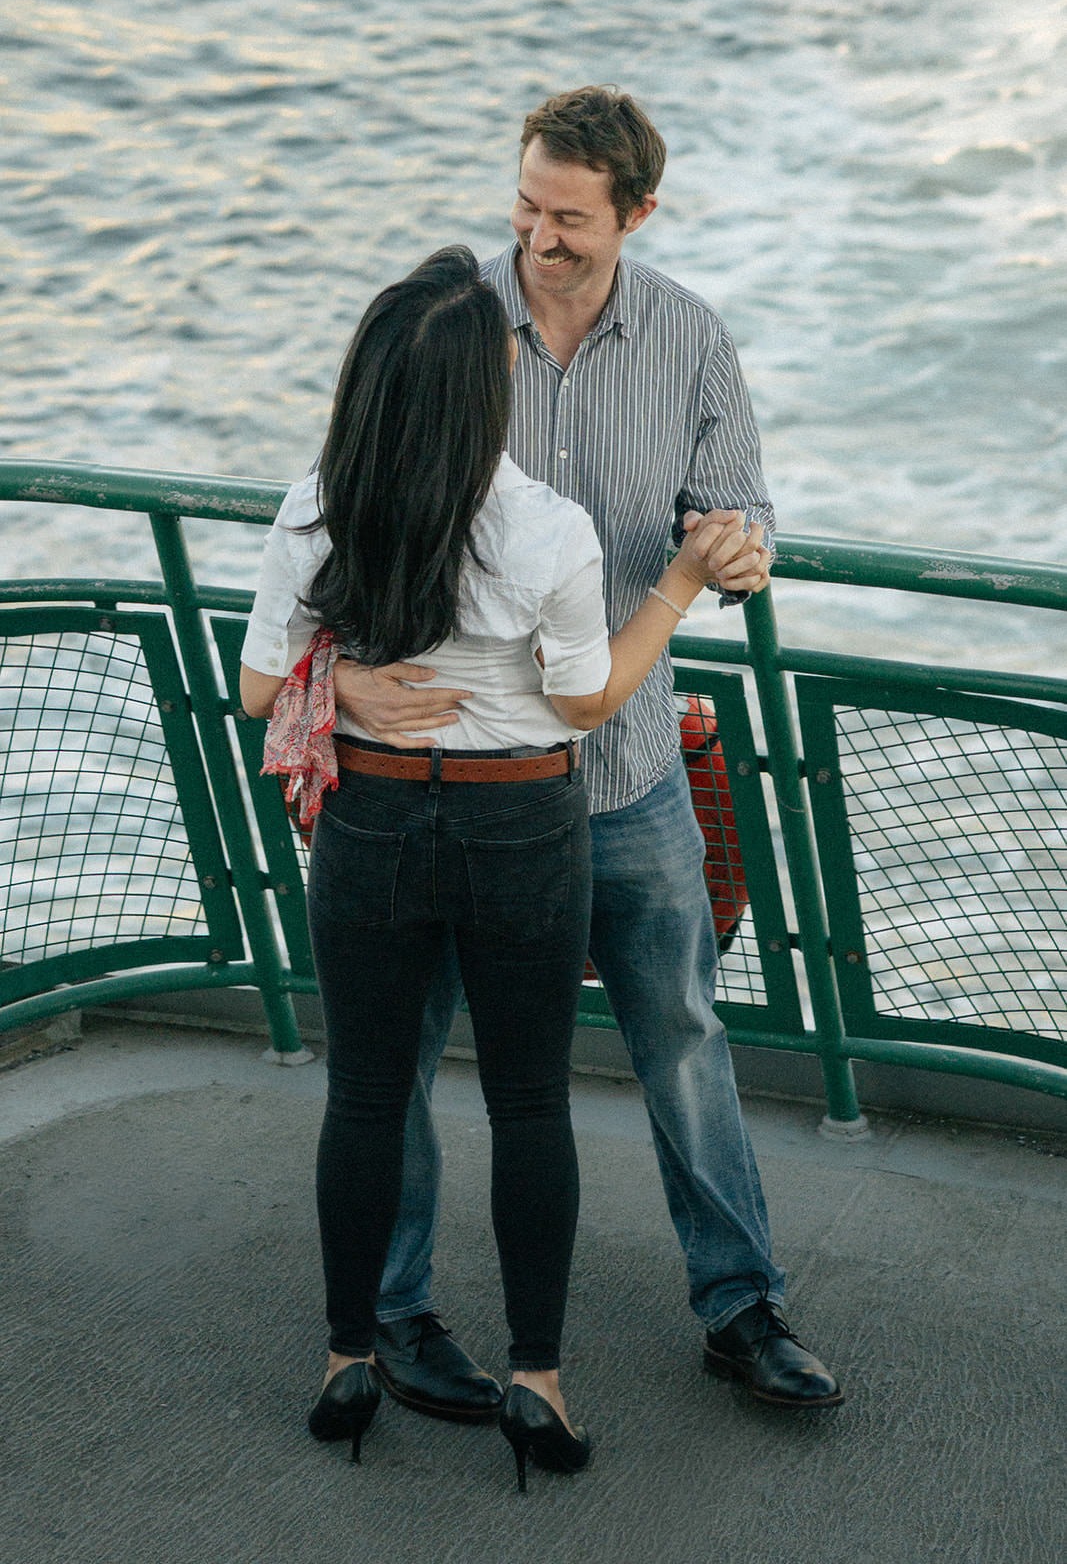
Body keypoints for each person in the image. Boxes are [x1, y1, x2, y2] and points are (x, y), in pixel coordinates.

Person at [332, 88, 843, 1417]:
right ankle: (388, 1315)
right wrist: (353, 669)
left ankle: (739, 1306)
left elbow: (744, 521)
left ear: (634, 213)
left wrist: (732, 556)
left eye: (566, 218)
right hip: (455, 789)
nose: (536, 238)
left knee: (677, 1030)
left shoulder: (687, 335)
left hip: (621, 779)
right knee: (403, 1053)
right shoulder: (444, 331)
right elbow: (348, 521)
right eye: (523, 207)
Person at [239, 245, 763, 1484]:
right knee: (529, 1103)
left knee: (366, 1095)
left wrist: (342, 679)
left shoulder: (319, 503)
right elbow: (584, 703)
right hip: (519, 824)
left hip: (366, 822)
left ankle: (346, 1362)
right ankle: (537, 1381)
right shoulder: (542, 524)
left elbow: (261, 687)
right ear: (481, 396)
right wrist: (678, 584)